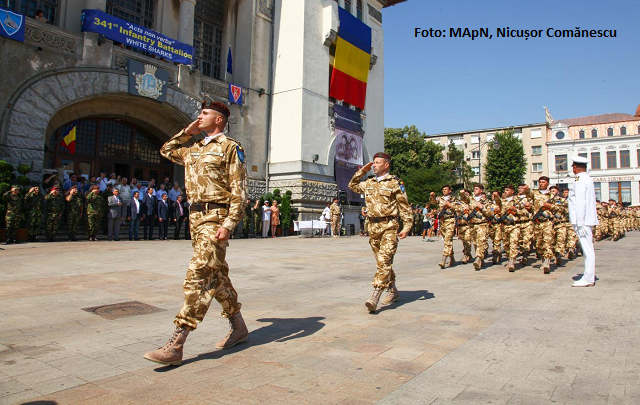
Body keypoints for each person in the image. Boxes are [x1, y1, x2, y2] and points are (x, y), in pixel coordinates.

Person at [144, 100, 247, 366]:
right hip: (195, 218)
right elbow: (167, 150)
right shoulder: (193, 149)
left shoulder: (230, 148)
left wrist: (228, 223)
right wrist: (187, 132)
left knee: (199, 274)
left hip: (216, 219)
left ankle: (176, 343)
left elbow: (239, 192)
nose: (199, 117)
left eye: (204, 114)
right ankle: (239, 326)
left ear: (219, 120)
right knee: (216, 275)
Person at [348, 153, 413, 313]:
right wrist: (362, 171)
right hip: (373, 228)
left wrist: (406, 227)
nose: (374, 165)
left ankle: (375, 296)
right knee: (382, 263)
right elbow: (352, 185)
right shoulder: (368, 182)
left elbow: (404, 206)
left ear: (386, 165)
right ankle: (393, 290)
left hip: (389, 226)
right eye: (373, 163)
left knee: (384, 261)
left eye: (377, 163)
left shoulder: (395, 183)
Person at [568, 156, 598, 287]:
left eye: (572, 166)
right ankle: (588, 276)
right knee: (588, 249)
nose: (572, 169)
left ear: (575, 167)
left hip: (583, 221)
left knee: (587, 250)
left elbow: (580, 202)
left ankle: (588, 278)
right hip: (585, 220)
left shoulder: (580, 180)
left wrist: (579, 223)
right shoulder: (586, 179)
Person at [531, 176, 559, 274]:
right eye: (540, 182)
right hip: (537, 222)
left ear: (547, 184)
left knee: (547, 242)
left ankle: (547, 263)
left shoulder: (552, 196)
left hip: (547, 222)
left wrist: (551, 206)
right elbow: (527, 195)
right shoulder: (535, 194)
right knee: (539, 243)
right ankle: (543, 260)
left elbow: (560, 208)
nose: (541, 184)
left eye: (543, 182)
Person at [430, 185, 459, 268]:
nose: (444, 191)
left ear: (449, 191)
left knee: (447, 239)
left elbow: (459, 208)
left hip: (450, 220)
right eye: (443, 189)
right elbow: (433, 202)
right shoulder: (440, 199)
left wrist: (450, 205)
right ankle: (452, 257)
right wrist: (432, 196)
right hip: (442, 221)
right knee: (447, 240)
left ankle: (444, 258)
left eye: (446, 189)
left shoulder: (454, 199)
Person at [468, 184, 493, 270]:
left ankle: (478, 258)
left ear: (481, 190)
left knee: (481, 242)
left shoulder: (486, 201)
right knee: (475, 243)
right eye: (474, 189)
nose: (474, 190)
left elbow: (490, 214)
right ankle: (481, 259)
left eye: (476, 189)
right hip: (472, 225)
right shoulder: (471, 200)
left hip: (482, 224)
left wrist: (482, 207)